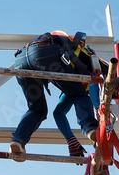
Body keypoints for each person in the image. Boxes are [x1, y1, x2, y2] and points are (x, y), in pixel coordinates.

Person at [9, 31, 99, 161]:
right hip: (46, 53)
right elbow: (95, 80)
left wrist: (71, 140)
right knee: (80, 95)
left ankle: (17, 141)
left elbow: (59, 113)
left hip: (21, 59)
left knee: (36, 110)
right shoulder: (85, 54)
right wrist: (97, 112)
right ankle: (89, 127)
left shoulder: (69, 55)